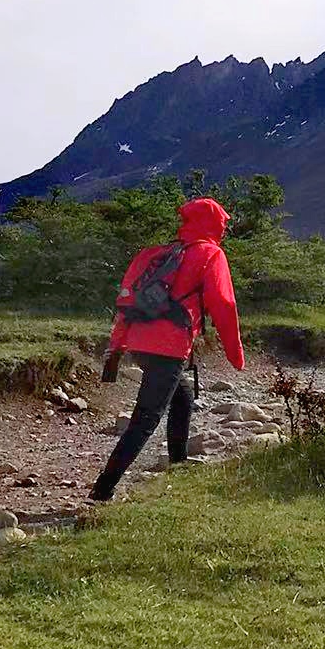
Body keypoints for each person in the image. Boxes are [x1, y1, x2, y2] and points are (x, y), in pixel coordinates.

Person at [89, 197, 244, 502]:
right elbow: (224, 305)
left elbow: (125, 305)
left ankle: (178, 463)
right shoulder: (211, 254)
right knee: (146, 419)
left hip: (140, 343)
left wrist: (118, 345)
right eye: (223, 223)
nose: (225, 228)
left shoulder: (153, 255)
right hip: (169, 347)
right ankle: (102, 490)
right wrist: (235, 354)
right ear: (213, 223)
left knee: (182, 395)